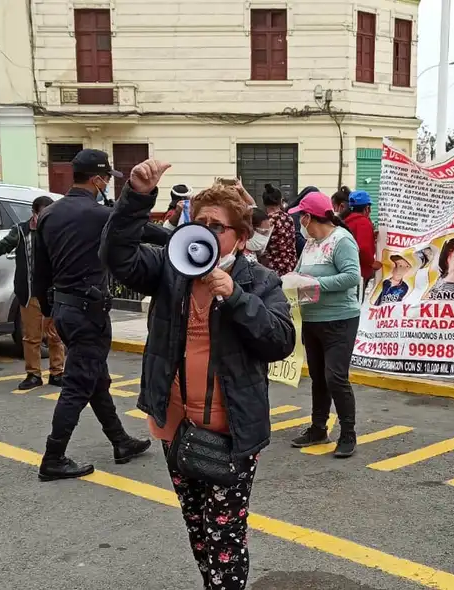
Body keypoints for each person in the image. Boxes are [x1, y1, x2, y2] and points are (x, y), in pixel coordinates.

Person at [101, 160, 294, 590]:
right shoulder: (171, 270)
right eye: (200, 222)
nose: (206, 231)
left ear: (240, 239)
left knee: (224, 535)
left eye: (218, 226)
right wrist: (136, 196)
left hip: (232, 433)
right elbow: (116, 256)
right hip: (175, 426)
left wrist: (237, 296)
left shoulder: (259, 280)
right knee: (197, 529)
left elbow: (281, 341)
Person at [33, 148, 152, 481]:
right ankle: (53, 456)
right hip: (89, 311)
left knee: (95, 379)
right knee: (77, 385)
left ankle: (120, 441)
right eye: (106, 179)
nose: (106, 186)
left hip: (65, 309)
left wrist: (47, 312)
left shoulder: (48, 215)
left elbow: (38, 272)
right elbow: (143, 234)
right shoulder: (101, 216)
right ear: (98, 179)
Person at [286, 191, 362, 457]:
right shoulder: (310, 244)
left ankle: (348, 433)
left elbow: (352, 276)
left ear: (309, 217)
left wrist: (315, 284)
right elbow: (299, 272)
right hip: (312, 319)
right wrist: (290, 282)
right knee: (318, 377)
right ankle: (318, 428)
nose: (299, 224)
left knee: (335, 377)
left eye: (300, 218)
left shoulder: (341, 240)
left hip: (340, 319)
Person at [0, 195, 65, 391]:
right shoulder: (20, 231)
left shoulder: (57, 231)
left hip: (52, 292)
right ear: (34, 214)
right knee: (31, 337)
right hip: (29, 291)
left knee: (55, 335)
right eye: (44, 215)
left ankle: (57, 373)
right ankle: (33, 374)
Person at [340, 190, 381, 295]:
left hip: (344, 269)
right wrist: (372, 263)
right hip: (359, 273)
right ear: (367, 208)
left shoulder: (346, 221)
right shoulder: (363, 222)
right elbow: (363, 247)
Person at [260, 183, 296, 276]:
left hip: (273, 268)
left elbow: (260, 245)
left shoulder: (268, 221)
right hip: (290, 265)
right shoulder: (289, 217)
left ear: (264, 203)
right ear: (280, 201)